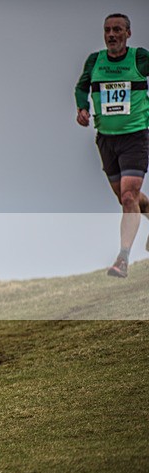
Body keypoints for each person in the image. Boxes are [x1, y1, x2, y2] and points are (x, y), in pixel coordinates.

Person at [75, 13, 149, 278]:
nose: (111, 35)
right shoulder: (95, 61)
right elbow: (81, 87)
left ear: (128, 33)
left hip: (135, 136)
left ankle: (123, 258)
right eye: (107, 30)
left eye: (117, 29)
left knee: (129, 197)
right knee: (126, 198)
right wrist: (82, 107)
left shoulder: (139, 58)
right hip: (106, 139)